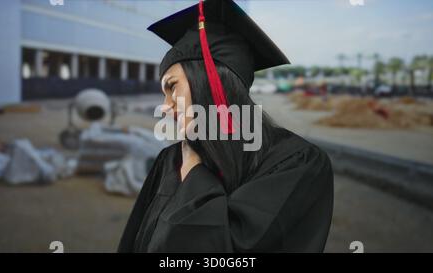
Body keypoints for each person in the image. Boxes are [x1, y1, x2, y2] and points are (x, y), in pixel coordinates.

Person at [118, 0, 334, 253]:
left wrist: (194, 174)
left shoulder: (298, 163)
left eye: (172, 87)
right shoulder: (169, 159)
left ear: (212, 82)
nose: (165, 106)